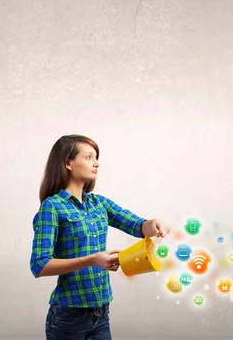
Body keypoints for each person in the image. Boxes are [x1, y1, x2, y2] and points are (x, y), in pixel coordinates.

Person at [29, 134, 170, 340]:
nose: (96, 163)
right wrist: (93, 260)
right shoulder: (52, 207)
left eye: (96, 157)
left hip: (101, 313)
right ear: (68, 163)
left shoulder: (99, 204)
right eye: (88, 157)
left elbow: (137, 225)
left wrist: (154, 224)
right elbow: (39, 265)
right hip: (69, 317)